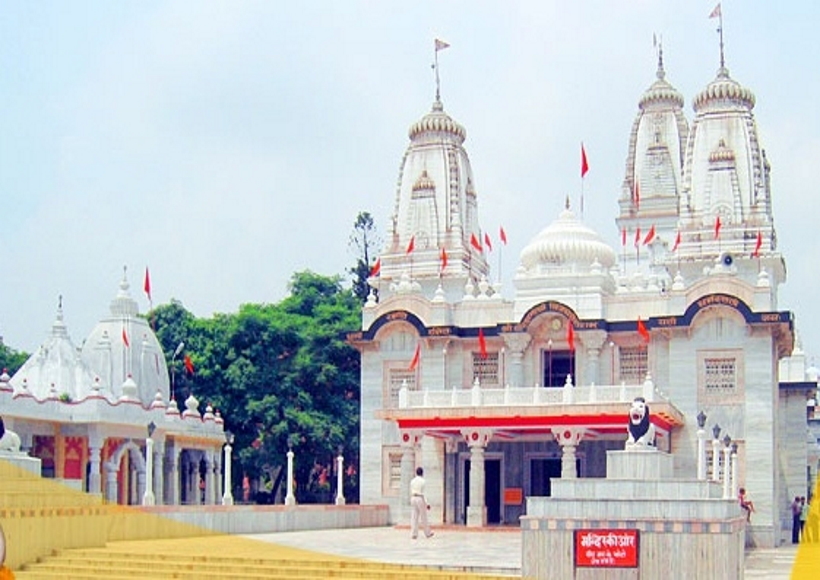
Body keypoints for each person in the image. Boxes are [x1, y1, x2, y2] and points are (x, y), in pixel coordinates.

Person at [409, 467, 434, 539]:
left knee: (414, 517)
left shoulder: (412, 481)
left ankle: (414, 534)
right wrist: (427, 503)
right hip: (420, 498)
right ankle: (427, 533)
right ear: (422, 473)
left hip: (413, 497)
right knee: (424, 516)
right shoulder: (423, 481)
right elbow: (424, 493)